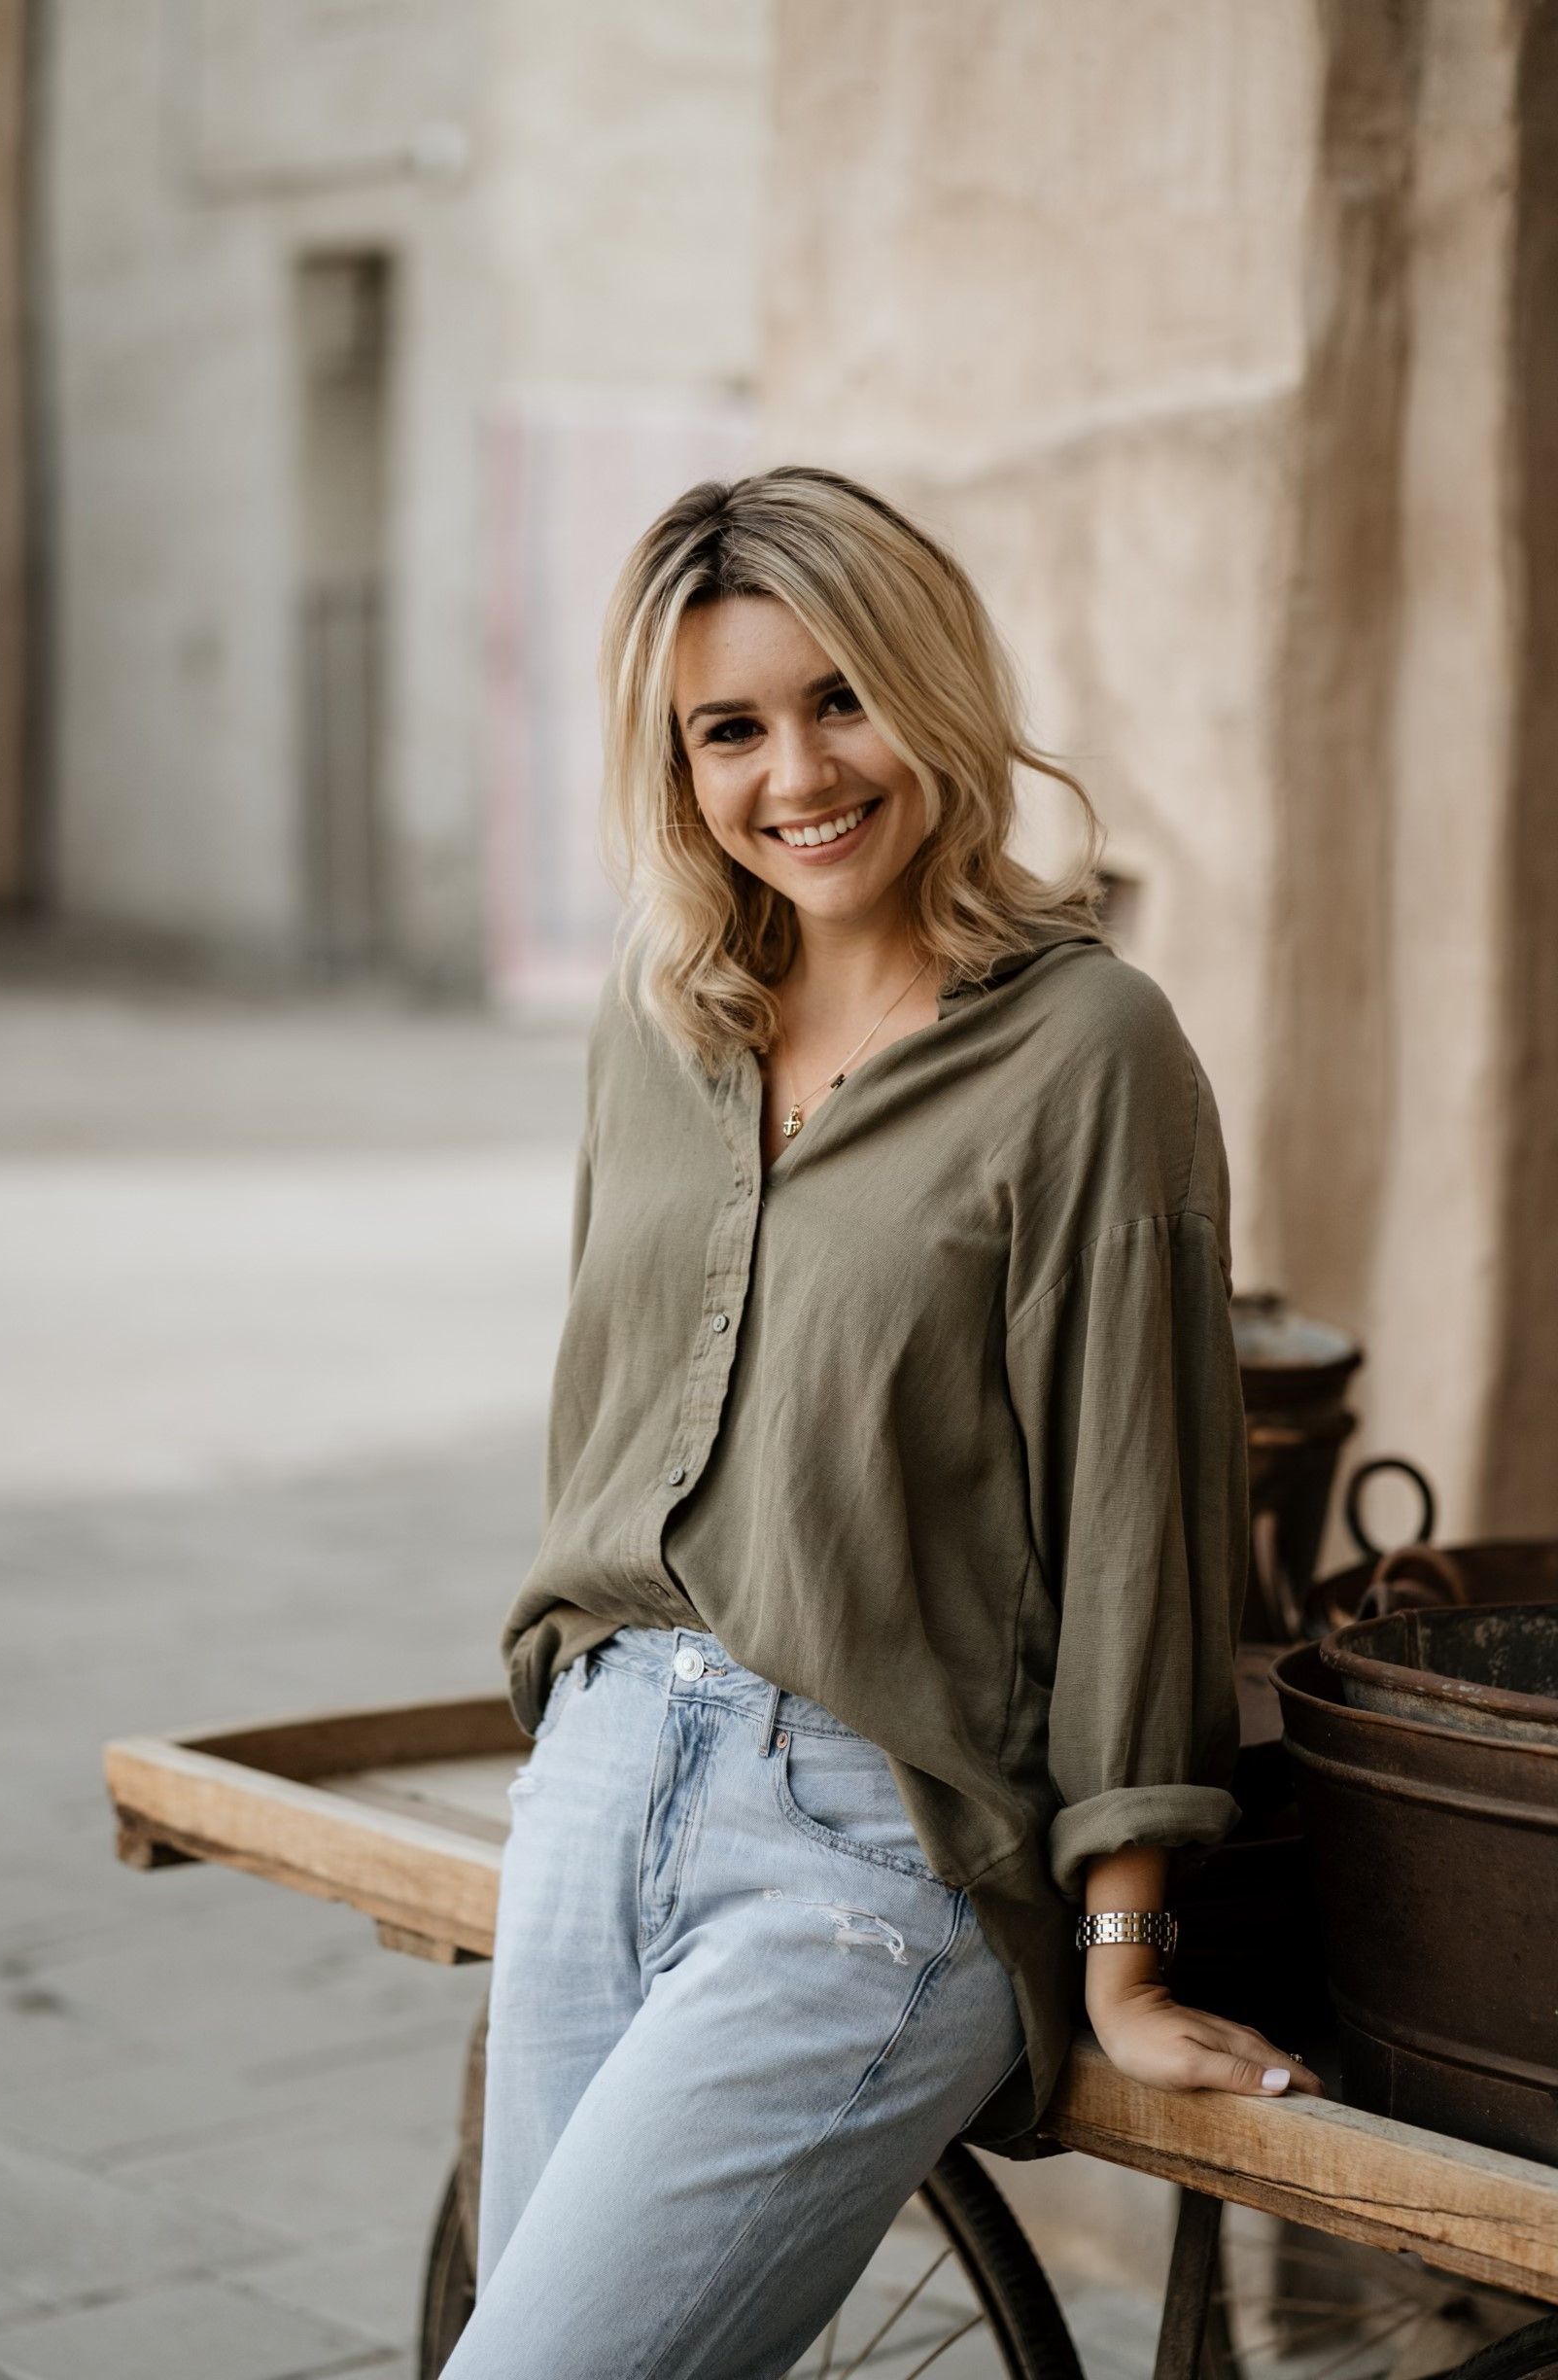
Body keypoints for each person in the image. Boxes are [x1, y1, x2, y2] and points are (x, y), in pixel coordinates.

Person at [441, 464, 1321, 2379]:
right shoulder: (661, 1013)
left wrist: (1123, 1955)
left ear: (928, 691)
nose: (797, 772)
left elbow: (1135, 1511)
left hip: (869, 1844)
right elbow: (604, 1403)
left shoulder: (1089, 1049)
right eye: (728, 728)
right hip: (597, 1786)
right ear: (676, 765)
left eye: (840, 698)